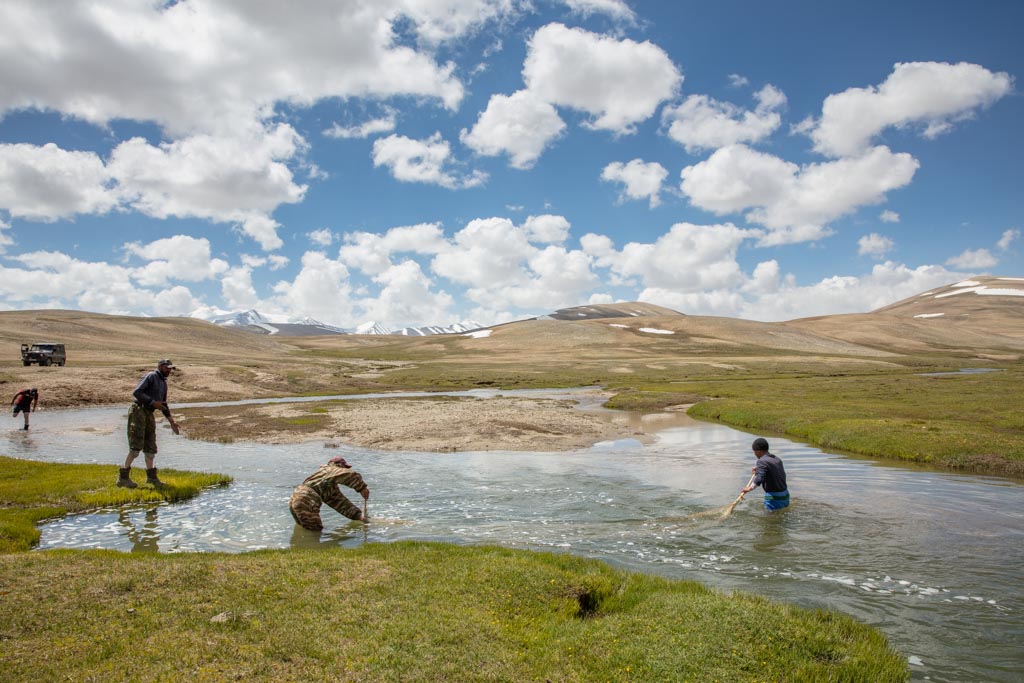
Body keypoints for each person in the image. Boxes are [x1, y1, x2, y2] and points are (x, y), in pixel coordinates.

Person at [117, 359, 180, 488]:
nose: (169, 370)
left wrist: (172, 421)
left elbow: (163, 404)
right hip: (138, 410)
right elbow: (137, 392)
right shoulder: (151, 376)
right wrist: (152, 402)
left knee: (150, 445)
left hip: (149, 413)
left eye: (170, 368)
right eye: (167, 368)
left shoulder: (163, 383)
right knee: (136, 445)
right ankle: (123, 478)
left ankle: (151, 478)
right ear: (160, 367)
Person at [289, 456, 369, 531]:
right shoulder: (330, 469)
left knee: (306, 528)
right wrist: (362, 488)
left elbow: (340, 503)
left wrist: (358, 516)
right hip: (307, 498)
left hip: (296, 496)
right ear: (338, 465)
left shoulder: (327, 482)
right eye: (344, 467)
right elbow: (350, 474)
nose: (345, 469)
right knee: (314, 531)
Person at [741, 437, 789, 510]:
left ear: (759, 451)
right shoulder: (777, 459)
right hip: (785, 495)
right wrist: (759, 470)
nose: (754, 454)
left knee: (769, 518)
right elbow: (772, 473)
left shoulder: (761, 461)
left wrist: (750, 488)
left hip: (772, 496)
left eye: (754, 452)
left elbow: (760, 477)